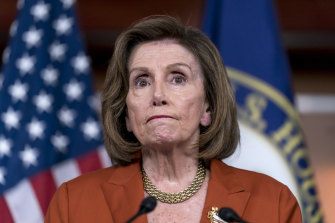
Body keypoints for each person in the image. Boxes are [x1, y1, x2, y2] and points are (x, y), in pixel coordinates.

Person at [45, 15, 302, 223]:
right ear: (126, 114)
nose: (158, 95)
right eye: (142, 81)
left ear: (207, 107)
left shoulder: (272, 201)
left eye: (178, 78)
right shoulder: (75, 202)